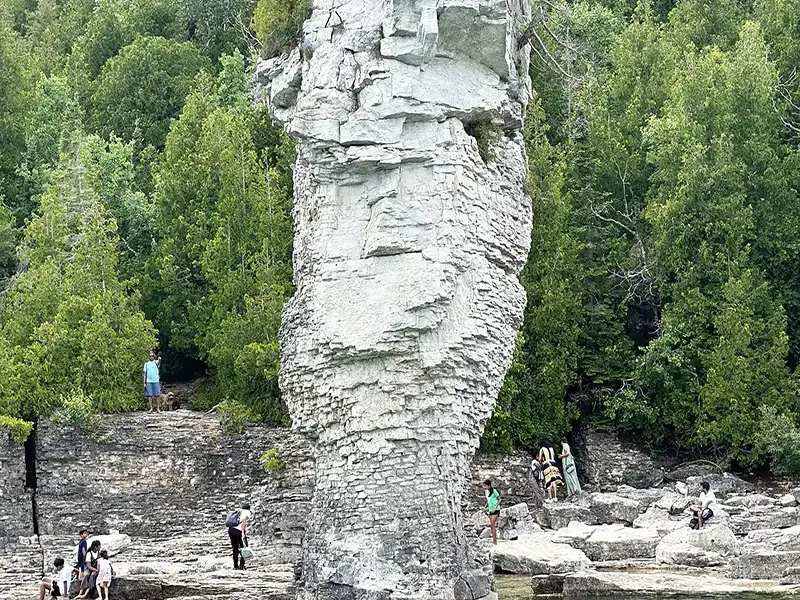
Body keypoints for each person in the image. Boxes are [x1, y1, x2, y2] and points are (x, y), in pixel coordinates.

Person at [227, 503, 252, 570]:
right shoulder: (246, 512)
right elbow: (244, 522)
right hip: (238, 531)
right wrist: (243, 533)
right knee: (244, 548)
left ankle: (235, 566)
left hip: (231, 530)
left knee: (235, 548)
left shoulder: (237, 511)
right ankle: (241, 566)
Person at [483, 479, 502, 545]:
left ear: (489, 485)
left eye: (485, 486)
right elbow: (488, 500)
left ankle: (495, 541)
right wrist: (485, 507)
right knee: (492, 526)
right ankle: (494, 540)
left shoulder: (494, 491)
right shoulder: (486, 492)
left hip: (495, 509)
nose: (484, 487)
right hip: (490, 509)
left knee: (492, 524)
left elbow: (499, 499)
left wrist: (495, 507)